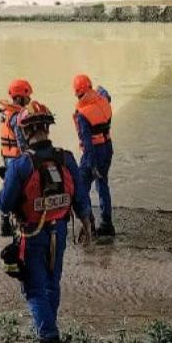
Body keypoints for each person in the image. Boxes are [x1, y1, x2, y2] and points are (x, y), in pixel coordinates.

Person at [0, 101, 94, 343]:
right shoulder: (66, 158)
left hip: (32, 234)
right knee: (52, 283)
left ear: (25, 132)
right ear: (47, 128)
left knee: (34, 289)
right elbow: (81, 197)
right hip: (59, 231)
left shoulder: (20, 165)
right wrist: (86, 223)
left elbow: (3, 204)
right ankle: (50, 331)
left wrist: (6, 185)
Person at [72, 74, 115, 238]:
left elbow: (87, 144)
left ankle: (89, 224)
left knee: (82, 187)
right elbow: (105, 92)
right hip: (107, 148)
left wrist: (92, 165)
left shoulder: (82, 114)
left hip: (94, 152)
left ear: (77, 93)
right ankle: (107, 224)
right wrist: (97, 90)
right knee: (103, 185)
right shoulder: (103, 100)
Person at [0, 79, 34, 236]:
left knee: (8, 186)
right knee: (20, 191)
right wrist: (30, 155)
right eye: (27, 97)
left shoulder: (6, 113)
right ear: (19, 98)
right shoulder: (16, 117)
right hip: (17, 158)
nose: (29, 99)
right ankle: (20, 223)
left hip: (6, 156)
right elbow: (21, 141)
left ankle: (5, 221)